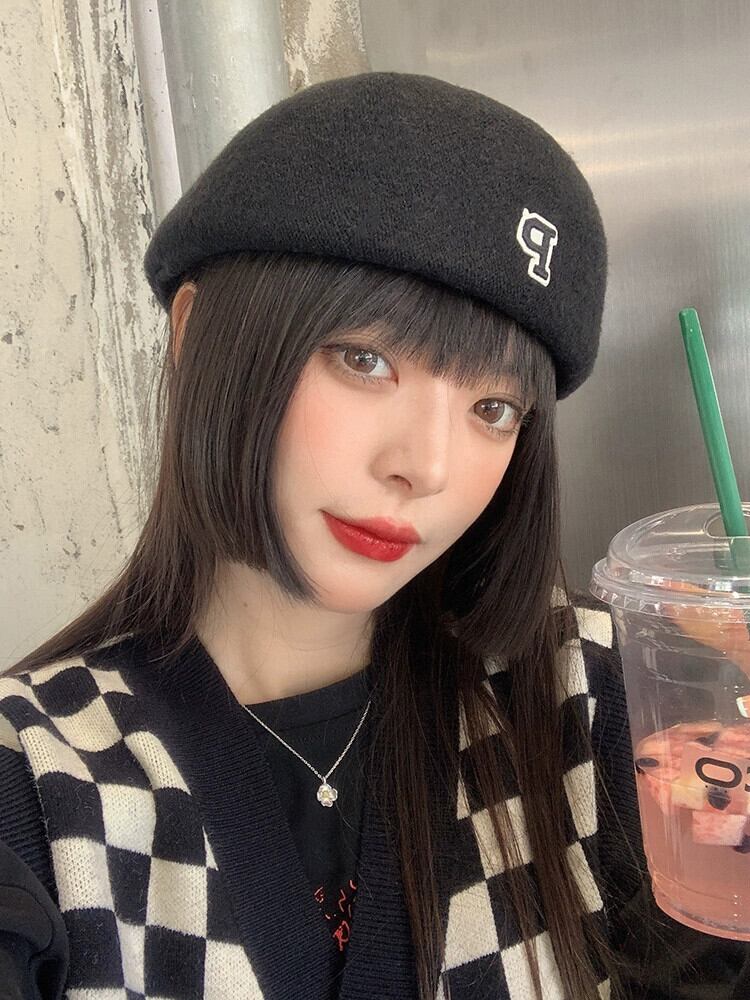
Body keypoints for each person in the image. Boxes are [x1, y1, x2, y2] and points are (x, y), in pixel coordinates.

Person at [0, 71, 748, 1000]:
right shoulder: (38, 788)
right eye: (366, 359)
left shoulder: (592, 700)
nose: (425, 466)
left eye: (493, 407)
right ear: (195, 333)